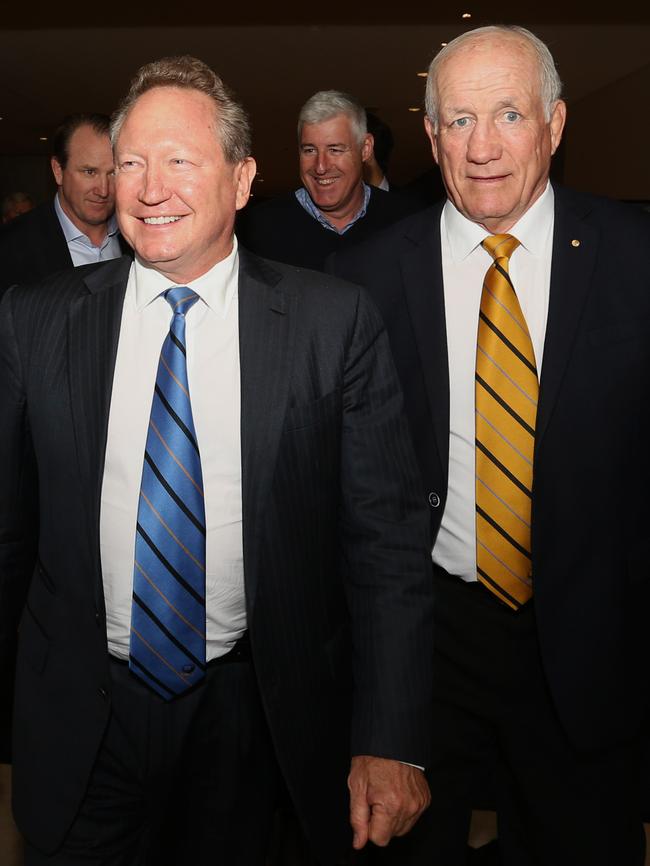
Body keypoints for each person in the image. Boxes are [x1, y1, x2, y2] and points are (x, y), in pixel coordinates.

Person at [0, 55, 434, 866]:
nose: (149, 187)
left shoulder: (328, 323)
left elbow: (386, 548)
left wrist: (392, 736)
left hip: (258, 717)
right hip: (82, 718)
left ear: (242, 179)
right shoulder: (35, 324)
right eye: (132, 162)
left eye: (181, 161)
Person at [329, 24, 650, 866]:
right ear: (430, 137)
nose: (483, 147)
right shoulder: (361, 283)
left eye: (509, 114)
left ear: (555, 123)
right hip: (430, 640)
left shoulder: (635, 261)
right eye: (459, 121)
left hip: (591, 642)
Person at [237, 90, 416, 271]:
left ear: (365, 149)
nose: (320, 167)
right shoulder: (257, 230)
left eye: (335, 150)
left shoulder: (406, 222)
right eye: (310, 150)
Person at [0, 113, 129, 297]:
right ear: (58, 170)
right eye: (89, 172)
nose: (103, 190)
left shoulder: (138, 237)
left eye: (113, 173)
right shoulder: (10, 248)